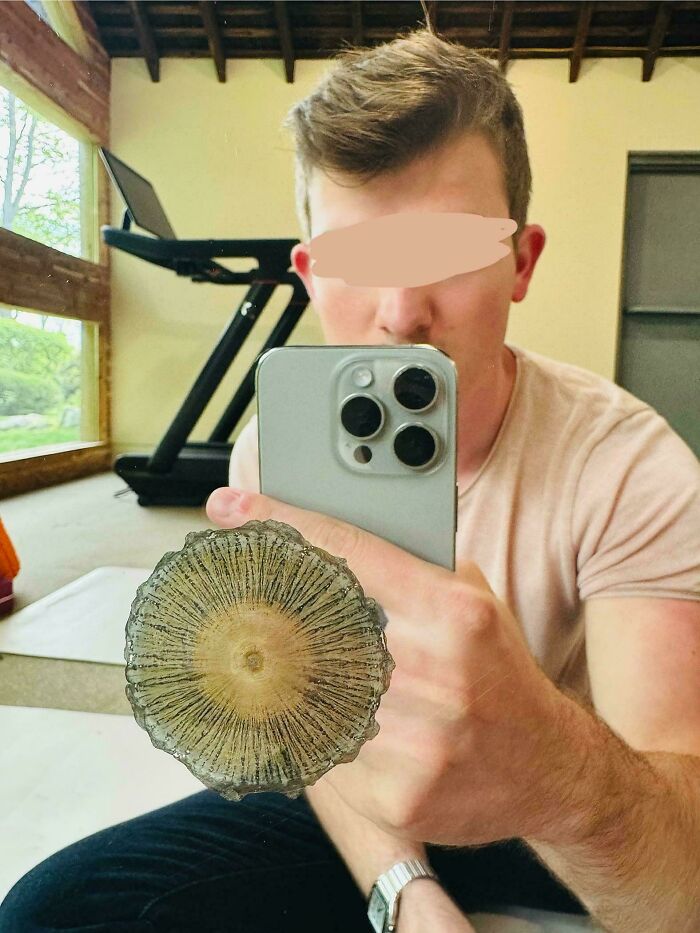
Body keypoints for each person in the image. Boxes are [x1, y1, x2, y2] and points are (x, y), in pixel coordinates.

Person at [2, 27, 699, 933]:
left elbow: (680, 878)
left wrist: (551, 770)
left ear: (521, 262)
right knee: (51, 913)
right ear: (309, 273)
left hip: (557, 820)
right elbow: (306, 723)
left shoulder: (631, 469)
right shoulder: (273, 458)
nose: (402, 310)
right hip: (358, 795)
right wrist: (408, 895)